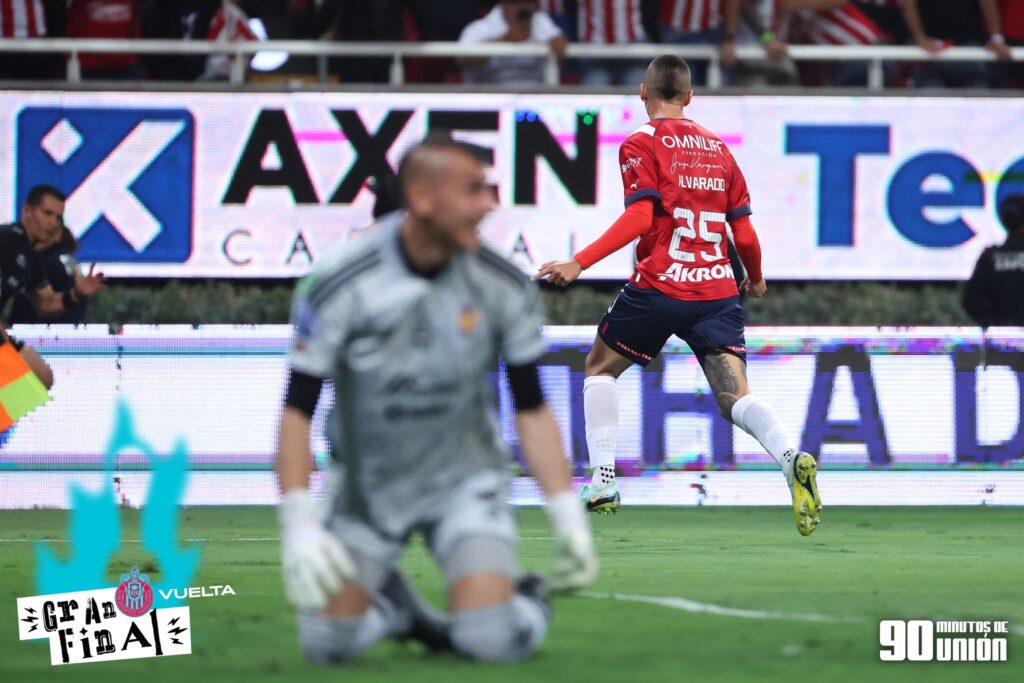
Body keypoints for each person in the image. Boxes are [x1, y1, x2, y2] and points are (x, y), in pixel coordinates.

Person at [275, 135, 598, 664]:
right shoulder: (337, 283)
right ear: (422, 198)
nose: (489, 204)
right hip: (366, 492)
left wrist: (566, 512)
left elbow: (532, 408)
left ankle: (527, 603)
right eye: (473, 190)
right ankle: (394, 610)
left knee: (488, 640)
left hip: (465, 484)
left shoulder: (503, 284)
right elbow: (296, 412)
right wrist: (297, 525)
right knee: (324, 646)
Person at [533, 56, 822, 536]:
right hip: (717, 291)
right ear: (690, 97)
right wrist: (756, 276)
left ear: (642, 93)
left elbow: (640, 219)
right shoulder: (720, 150)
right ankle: (791, 457)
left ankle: (603, 481)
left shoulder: (640, 143)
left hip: (661, 285)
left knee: (600, 368)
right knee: (735, 398)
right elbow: (744, 232)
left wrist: (578, 261)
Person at [0, 185, 105, 390]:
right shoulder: (6, 239)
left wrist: (76, 294)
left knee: (42, 377)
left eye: (58, 217)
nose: (52, 222)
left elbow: (46, 304)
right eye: (47, 213)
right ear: (27, 211)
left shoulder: (33, 261)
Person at [457, 0, 568, 85]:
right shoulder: (478, 29)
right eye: (516, 2)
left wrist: (556, 43)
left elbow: (559, 42)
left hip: (536, 97)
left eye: (528, 2)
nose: (523, 7)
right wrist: (504, 40)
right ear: (503, 4)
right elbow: (463, 60)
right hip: (490, 98)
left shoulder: (540, 22)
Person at [962, 194, 1024, 327]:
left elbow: (971, 302)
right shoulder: (989, 258)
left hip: (999, 342)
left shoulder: (990, 258)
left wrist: (992, 323)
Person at [10, 226, 88, 325]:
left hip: (39, 333)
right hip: (70, 332)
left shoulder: (43, 261)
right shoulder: (68, 257)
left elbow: (28, 309)